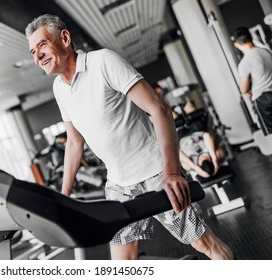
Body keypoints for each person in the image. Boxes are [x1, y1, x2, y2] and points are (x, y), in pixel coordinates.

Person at [25, 14, 233, 260]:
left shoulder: (103, 61)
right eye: (32, 51)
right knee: (123, 265)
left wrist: (172, 173)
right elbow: (74, 142)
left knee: (206, 245)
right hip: (118, 185)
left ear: (65, 38)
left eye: (42, 45)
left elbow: (160, 109)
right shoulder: (59, 89)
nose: (37, 56)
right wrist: (64, 196)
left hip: (155, 172)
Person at [234, 27, 272, 135]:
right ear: (250, 38)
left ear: (236, 44)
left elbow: (243, 89)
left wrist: (246, 90)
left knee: (270, 135)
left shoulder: (245, 62)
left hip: (263, 99)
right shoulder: (267, 52)